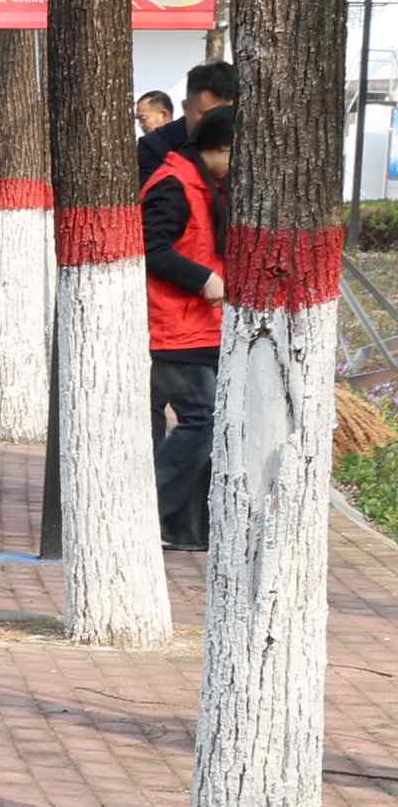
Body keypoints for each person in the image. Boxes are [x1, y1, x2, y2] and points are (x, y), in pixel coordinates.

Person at [145, 106, 233, 554]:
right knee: (201, 421)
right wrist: (204, 279)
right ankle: (144, 513)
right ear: (219, 149)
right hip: (173, 326)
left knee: (209, 425)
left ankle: (186, 530)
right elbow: (151, 249)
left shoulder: (207, 184)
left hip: (203, 326)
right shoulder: (174, 184)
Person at [139, 61, 237, 180]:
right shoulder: (154, 147)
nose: (216, 123)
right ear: (185, 107)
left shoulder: (242, 143)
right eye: (207, 114)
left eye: (225, 115)